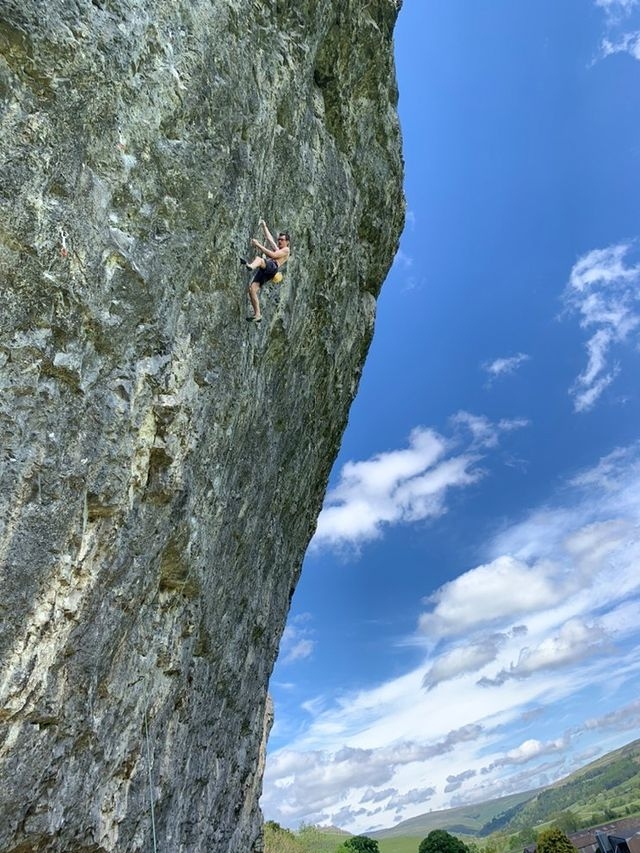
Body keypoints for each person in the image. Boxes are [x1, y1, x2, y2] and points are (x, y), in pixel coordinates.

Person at [240, 220, 290, 322]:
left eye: (282, 240)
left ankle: (250, 266)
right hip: (268, 271)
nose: (279, 241)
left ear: (287, 242)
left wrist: (258, 245)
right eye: (279, 239)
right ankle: (258, 315)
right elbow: (270, 239)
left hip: (273, 267)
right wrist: (264, 226)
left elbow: (273, 256)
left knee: (259, 259)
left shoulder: (286, 250)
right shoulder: (279, 249)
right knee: (252, 289)